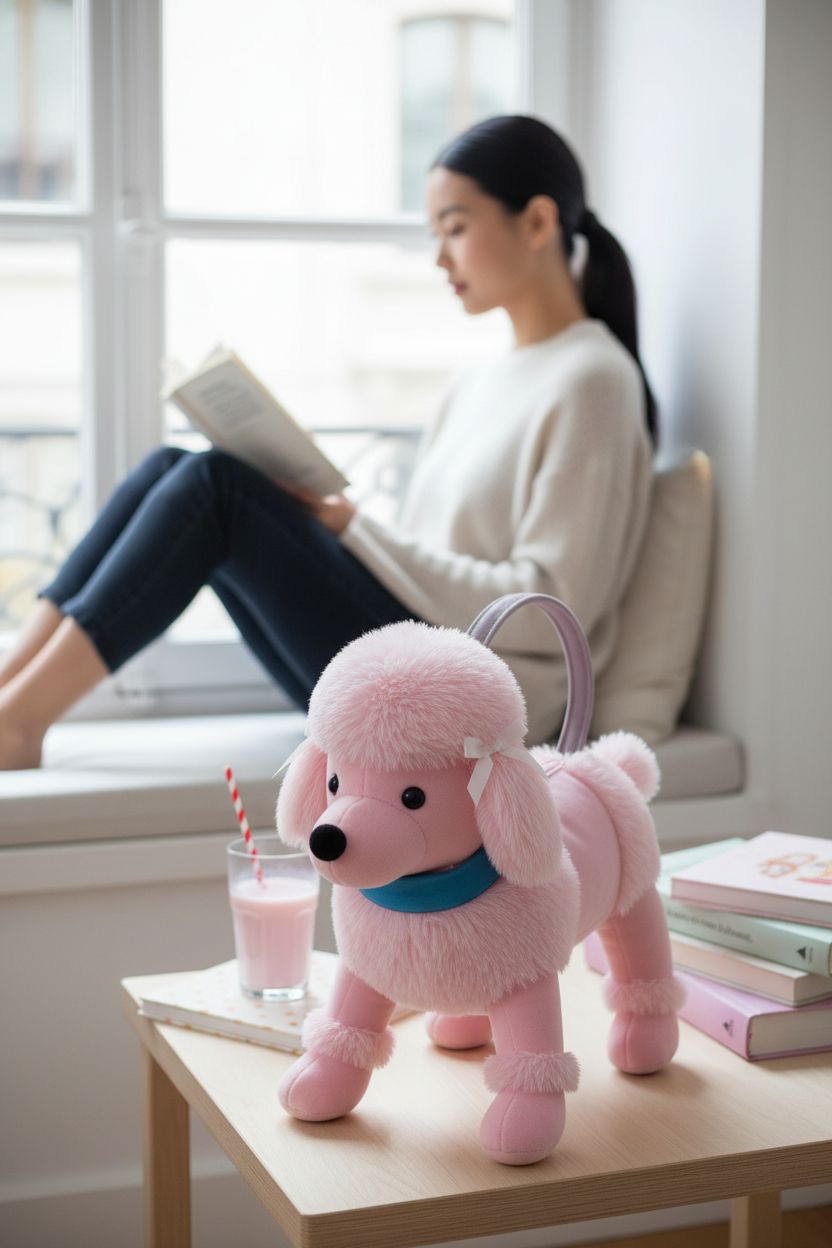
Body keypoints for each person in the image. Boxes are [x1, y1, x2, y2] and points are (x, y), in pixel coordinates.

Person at [0, 114, 656, 770]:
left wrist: (357, 530)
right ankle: (9, 697)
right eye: (436, 234)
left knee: (216, 490)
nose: (438, 258)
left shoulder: (593, 380)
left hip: (482, 703)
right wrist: (345, 526)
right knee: (169, 466)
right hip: (421, 653)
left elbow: (548, 609)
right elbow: (436, 560)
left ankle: (18, 726)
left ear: (538, 223)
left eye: (455, 228)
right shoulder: (479, 380)